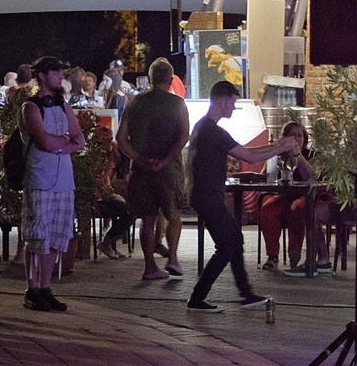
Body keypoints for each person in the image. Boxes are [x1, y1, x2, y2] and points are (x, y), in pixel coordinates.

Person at [185, 82, 297, 312]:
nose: (234, 108)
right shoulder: (213, 131)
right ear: (223, 100)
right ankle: (199, 298)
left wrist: (278, 145)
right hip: (208, 196)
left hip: (203, 195)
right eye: (233, 102)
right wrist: (281, 148)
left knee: (234, 240)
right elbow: (250, 157)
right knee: (227, 245)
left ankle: (246, 294)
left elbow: (245, 152)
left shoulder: (203, 127)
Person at [116, 58, 191, 282]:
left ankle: (149, 267)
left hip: (141, 171)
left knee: (147, 219)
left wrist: (138, 158)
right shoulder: (177, 104)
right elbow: (183, 136)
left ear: (150, 78)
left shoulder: (135, 103)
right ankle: (173, 258)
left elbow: (121, 138)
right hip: (169, 170)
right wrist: (165, 159)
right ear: (170, 79)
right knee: (174, 215)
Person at [21, 57, 84, 312]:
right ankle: (32, 289)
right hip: (40, 179)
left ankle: (45, 287)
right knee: (38, 236)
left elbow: (79, 139)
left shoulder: (63, 105)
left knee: (57, 236)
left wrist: (58, 143)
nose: (61, 77)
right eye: (56, 72)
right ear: (43, 76)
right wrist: (64, 142)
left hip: (64, 181)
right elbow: (44, 141)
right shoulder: (31, 106)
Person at [258, 120, 332, 271]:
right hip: (282, 195)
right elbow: (265, 175)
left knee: (296, 208)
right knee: (268, 209)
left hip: (304, 196)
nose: (297, 139)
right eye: (293, 135)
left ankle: (294, 253)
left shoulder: (312, 155)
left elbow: (311, 176)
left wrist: (297, 155)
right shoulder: (277, 153)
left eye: (300, 135)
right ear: (285, 138)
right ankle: (272, 256)